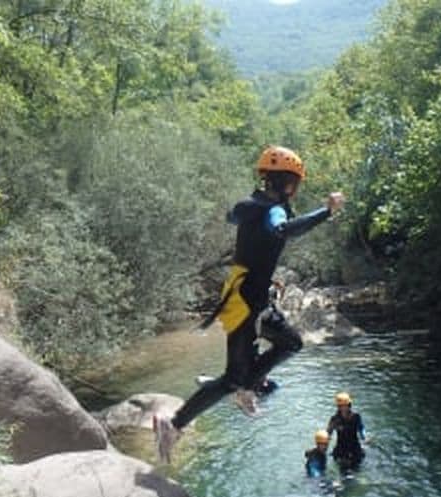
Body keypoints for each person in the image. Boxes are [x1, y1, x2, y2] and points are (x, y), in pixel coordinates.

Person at [153, 146, 345, 462]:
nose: (295, 190)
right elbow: (279, 229)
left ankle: (247, 386)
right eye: (294, 183)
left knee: (289, 344)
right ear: (287, 183)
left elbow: (253, 243)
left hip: (249, 298)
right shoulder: (272, 209)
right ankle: (175, 423)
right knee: (237, 376)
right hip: (245, 305)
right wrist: (326, 211)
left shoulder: (255, 205)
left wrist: (266, 281)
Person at [327, 392, 366, 470]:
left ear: (349, 405)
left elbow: (361, 428)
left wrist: (364, 437)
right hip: (341, 448)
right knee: (343, 470)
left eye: (345, 405)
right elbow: (328, 433)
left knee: (357, 469)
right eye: (341, 406)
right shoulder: (334, 419)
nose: (343, 408)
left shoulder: (356, 416)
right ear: (338, 406)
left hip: (355, 447)